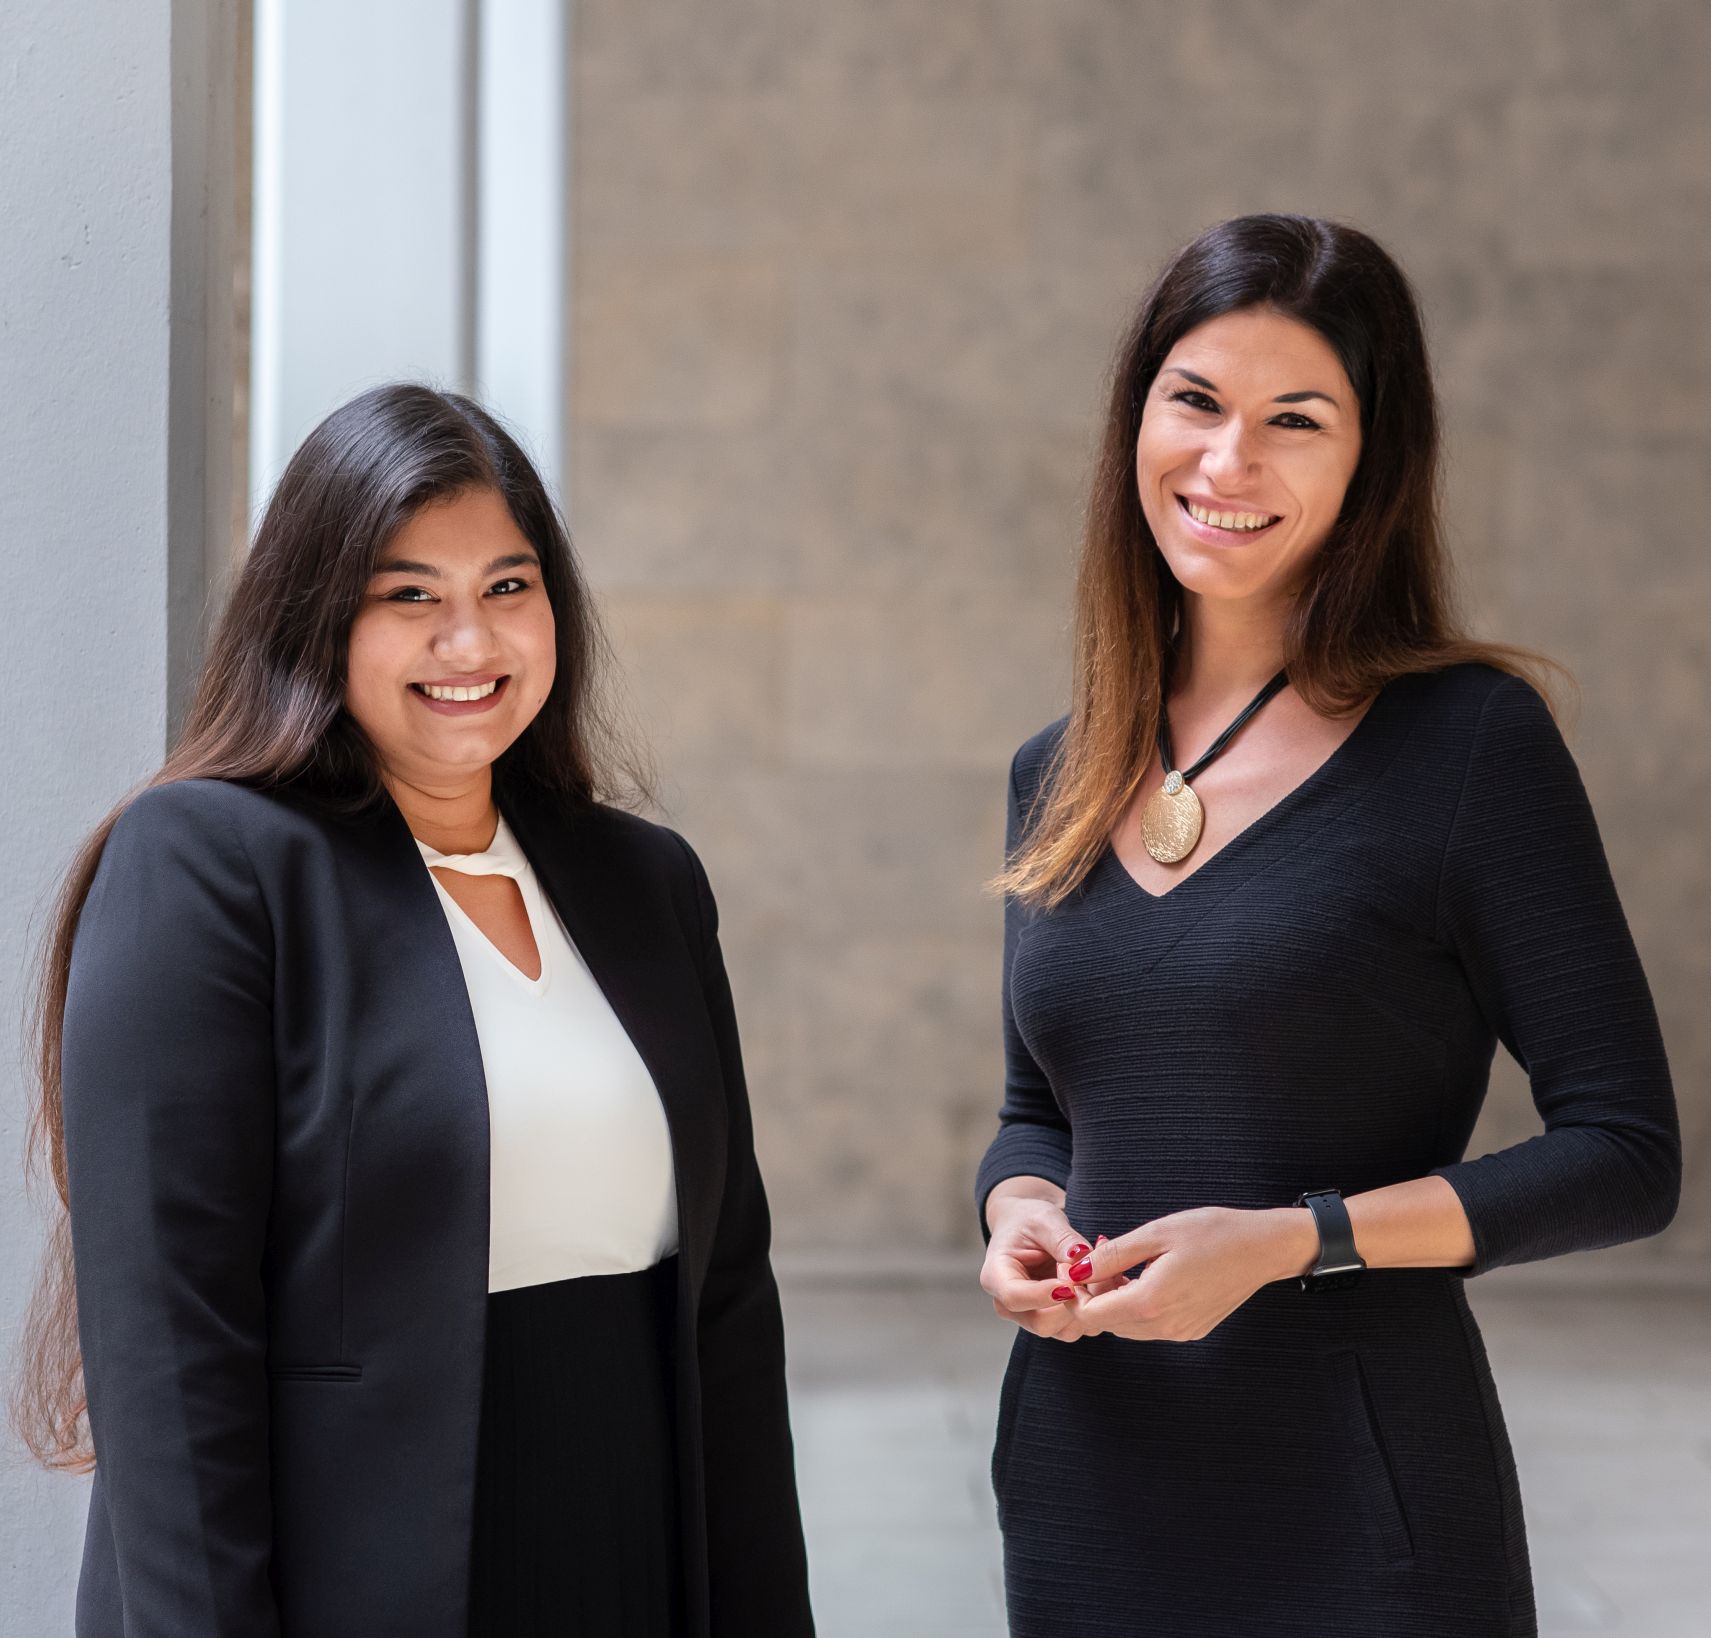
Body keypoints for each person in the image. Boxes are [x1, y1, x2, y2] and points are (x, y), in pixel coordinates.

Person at [975, 213, 1681, 1638]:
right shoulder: (1054, 769)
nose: (1226, 463)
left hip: (1359, 1504)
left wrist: (1291, 1240)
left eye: (1293, 419)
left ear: (1371, 460)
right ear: (1135, 422)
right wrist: (1020, 1213)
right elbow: (1034, 1108)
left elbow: (1623, 1154)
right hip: (1084, 1479)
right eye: (1194, 402)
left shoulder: (1466, 745)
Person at [17, 383, 816, 1638]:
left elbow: (727, 1304)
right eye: (410, 597)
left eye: (508, 588)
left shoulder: (642, 880)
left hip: (626, 1555)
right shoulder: (208, 865)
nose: (471, 643)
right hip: (345, 1581)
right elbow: (170, 1346)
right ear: (317, 616)